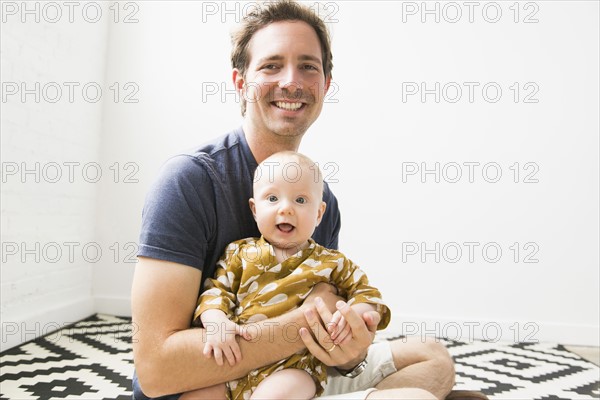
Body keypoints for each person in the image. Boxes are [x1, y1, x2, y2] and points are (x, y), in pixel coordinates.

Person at [132, 1, 488, 399]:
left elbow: (333, 330)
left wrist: (348, 352)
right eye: (270, 66)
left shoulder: (323, 203)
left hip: (290, 372)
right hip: (208, 384)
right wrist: (304, 320)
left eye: (308, 66)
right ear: (239, 82)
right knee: (421, 394)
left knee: (432, 357)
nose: (291, 81)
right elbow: (156, 371)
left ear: (325, 85)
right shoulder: (189, 181)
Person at [183, 151, 391, 400]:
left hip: (294, 367)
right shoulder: (238, 254)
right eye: (272, 198)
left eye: (301, 200)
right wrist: (215, 319)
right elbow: (216, 291)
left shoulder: (332, 263)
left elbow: (368, 294)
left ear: (319, 213)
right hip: (237, 362)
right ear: (254, 209)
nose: (286, 209)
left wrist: (355, 314)